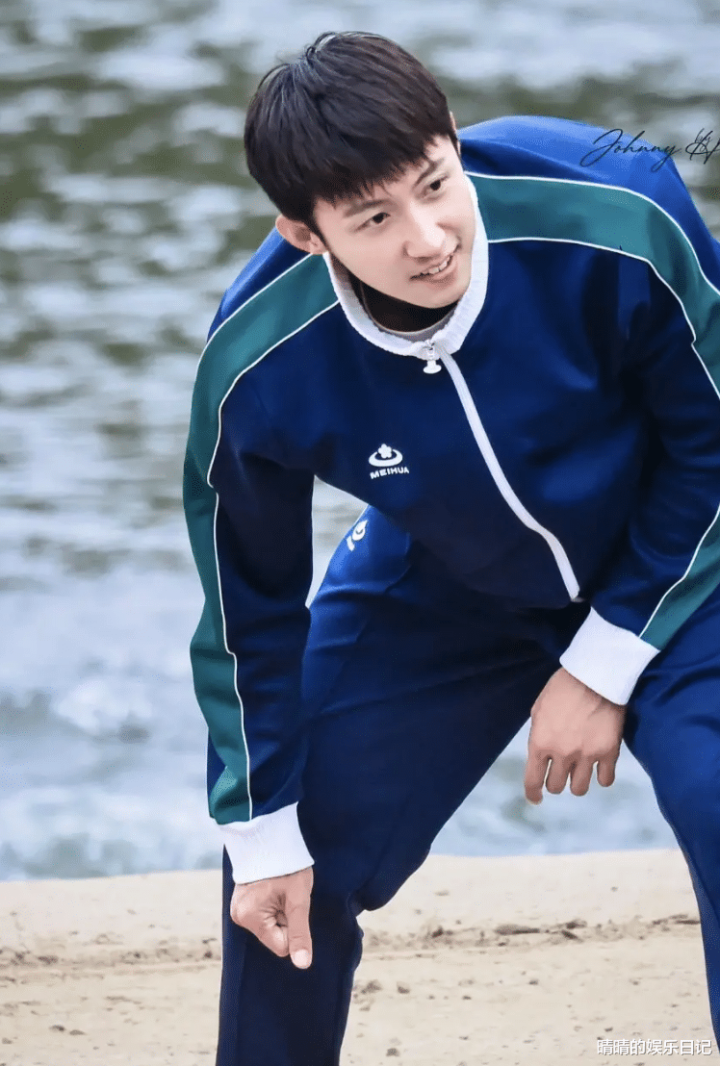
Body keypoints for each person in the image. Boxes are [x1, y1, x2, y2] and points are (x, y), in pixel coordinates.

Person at [182, 30, 720, 1065]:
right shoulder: (256, 358)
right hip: (447, 569)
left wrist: (605, 659)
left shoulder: (617, 206)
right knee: (291, 843)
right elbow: (245, 607)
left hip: (681, 553)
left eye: (436, 183)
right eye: (373, 219)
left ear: (455, 141)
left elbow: (714, 441)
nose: (428, 238)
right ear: (304, 232)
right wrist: (259, 831)